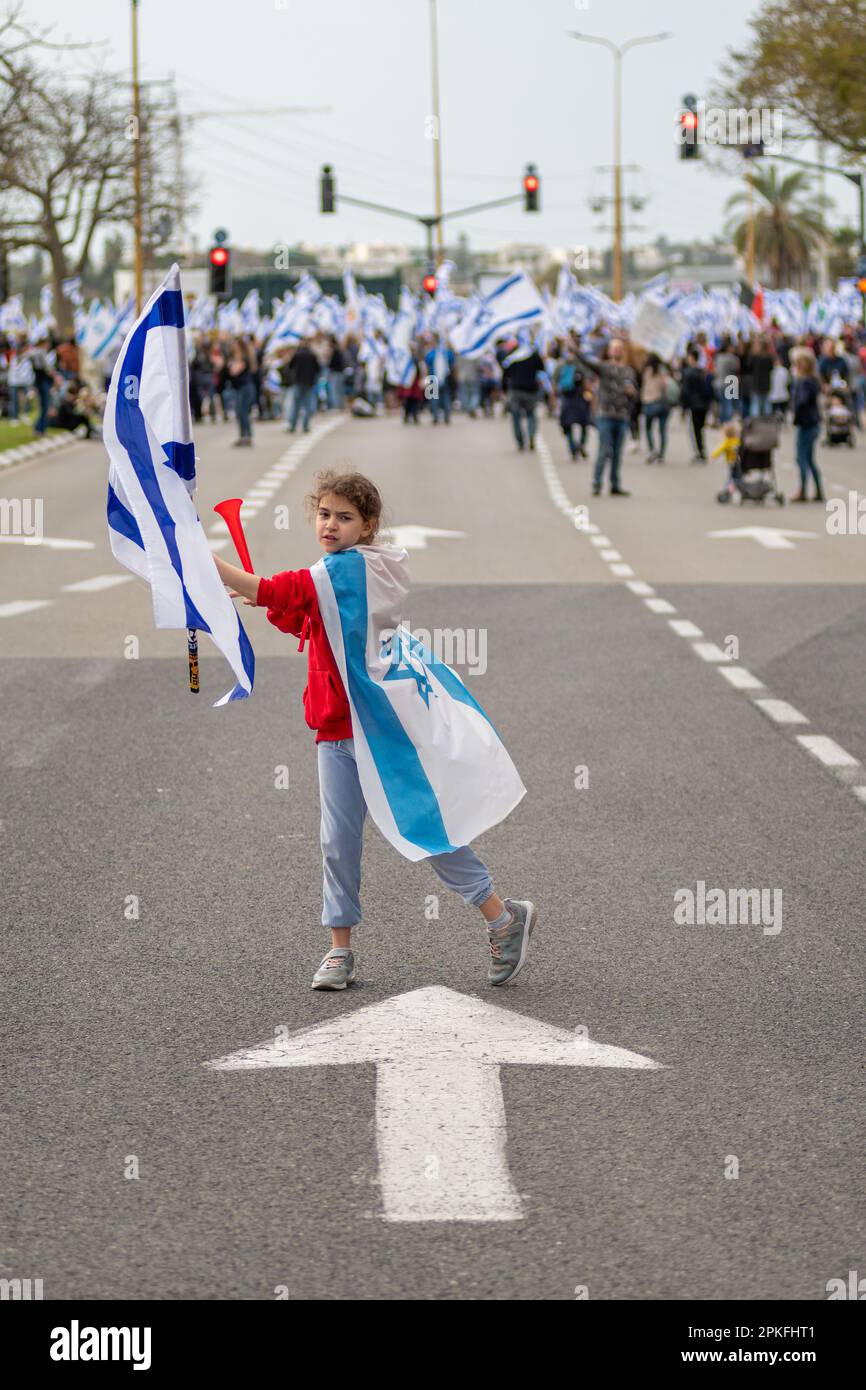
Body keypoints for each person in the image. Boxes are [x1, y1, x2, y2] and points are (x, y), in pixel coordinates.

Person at [212, 469, 536, 991]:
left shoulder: (351, 571)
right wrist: (269, 601)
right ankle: (340, 950)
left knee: (424, 829)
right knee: (337, 841)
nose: (331, 524)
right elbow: (306, 615)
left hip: (376, 728)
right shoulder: (337, 572)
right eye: (323, 514)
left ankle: (503, 918)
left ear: (368, 526)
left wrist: (213, 567)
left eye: (345, 517)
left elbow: (285, 591)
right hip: (335, 728)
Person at [573, 337, 637, 495]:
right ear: (609, 351)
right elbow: (586, 362)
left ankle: (615, 484)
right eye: (614, 348)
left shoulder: (629, 371)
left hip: (621, 416)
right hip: (606, 415)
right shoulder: (604, 368)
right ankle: (597, 483)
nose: (616, 351)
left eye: (619, 348)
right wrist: (574, 349)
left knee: (617, 453)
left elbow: (635, 395)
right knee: (604, 451)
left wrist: (632, 393)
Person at [501, 336, 545, 451]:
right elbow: (542, 368)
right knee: (531, 414)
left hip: (516, 390)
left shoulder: (512, 357)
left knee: (516, 416)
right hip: (530, 389)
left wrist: (504, 390)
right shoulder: (533, 355)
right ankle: (531, 435)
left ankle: (520, 441)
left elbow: (505, 375)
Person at [790, 355, 824, 502]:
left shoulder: (804, 382)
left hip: (806, 423)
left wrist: (796, 414)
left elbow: (802, 402)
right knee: (810, 459)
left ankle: (802, 490)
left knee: (801, 458)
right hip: (813, 422)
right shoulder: (814, 381)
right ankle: (818, 490)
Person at [553, 346, 590, 460]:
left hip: (568, 398)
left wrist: (554, 397)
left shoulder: (561, 365)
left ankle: (574, 448)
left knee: (571, 424)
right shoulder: (579, 365)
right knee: (581, 424)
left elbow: (554, 381)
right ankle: (578, 446)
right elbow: (587, 382)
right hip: (577, 397)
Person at [680, 348, 714, 461]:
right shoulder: (702, 372)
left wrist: (684, 407)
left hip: (694, 404)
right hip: (703, 404)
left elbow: (685, 391)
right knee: (700, 428)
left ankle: (700, 451)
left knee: (696, 429)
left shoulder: (688, 372)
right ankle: (702, 450)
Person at [640, 353, 673, 463]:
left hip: (650, 402)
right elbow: (666, 387)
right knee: (662, 430)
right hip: (662, 402)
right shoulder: (662, 372)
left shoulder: (646, 371)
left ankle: (652, 449)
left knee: (648, 428)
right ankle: (661, 454)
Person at [284, 338, 320, 433]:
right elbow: (317, 369)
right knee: (307, 405)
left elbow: (290, 366)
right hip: (309, 382)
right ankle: (306, 426)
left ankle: (292, 425)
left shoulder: (297, 354)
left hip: (298, 382)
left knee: (295, 405)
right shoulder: (312, 355)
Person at [224, 340, 255, 447]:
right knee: (240, 412)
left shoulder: (243, 358)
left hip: (245, 387)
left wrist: (231, 365)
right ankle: (243, 436)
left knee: (243, 412)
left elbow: (234, 371)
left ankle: (247, 436)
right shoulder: (234, 358)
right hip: (239, 388)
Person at [423, 335, 454, 424]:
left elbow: (426, 367)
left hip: (433, 377)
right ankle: (446, 416)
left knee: (434, 398)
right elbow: (453, 365)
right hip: (443, 377)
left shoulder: (431, 353)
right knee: (445, 398)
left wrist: (425, 378)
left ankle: (435, 416)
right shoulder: (447, 352)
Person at [713, 335, 740, 424]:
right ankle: (727, 421)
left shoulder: (718, 357)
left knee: (721, 404)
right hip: (730, 383)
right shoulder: (732, 358)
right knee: (728, 404)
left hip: (719, 383)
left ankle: (721, 420)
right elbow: (736, 368)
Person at [749, 336, 774, 416]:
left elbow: (749, 367)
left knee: (756, 404)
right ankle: (767, 421)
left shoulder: (755, 357)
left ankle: (756, 422)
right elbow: (771, 368)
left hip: (757, 383)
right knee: (766, 404)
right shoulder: (769, 357)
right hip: (766, 383)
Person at [769, 357, 790, 423]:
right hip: (783, 395)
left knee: (775, 412)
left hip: (773, 396)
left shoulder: (771, 371)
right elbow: (787, 381)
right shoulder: (785, 370)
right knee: (783, 412)